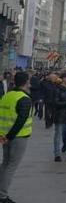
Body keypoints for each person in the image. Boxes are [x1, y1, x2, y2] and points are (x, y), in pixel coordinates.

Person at [0, 71, 33, 202]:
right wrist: (10, 136)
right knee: (11, 166)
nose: (30, 83)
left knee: (6, 163)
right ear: (26, 82)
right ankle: (2, 195)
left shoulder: (7, 95)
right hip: (17, 137)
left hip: (5, 135)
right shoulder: (24, 98)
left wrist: (5, 136)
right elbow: (21, 120)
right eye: (29, 81)